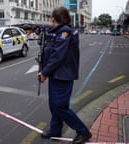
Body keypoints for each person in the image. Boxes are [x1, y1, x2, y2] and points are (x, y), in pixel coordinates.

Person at [37, 7, 92, 144]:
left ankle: (83, 132)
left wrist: (44, 72)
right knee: (54, 105)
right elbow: (51, 52)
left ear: (54, 18)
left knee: (60, 106)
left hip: (63, 75)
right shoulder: (58, 32)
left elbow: (57, 56)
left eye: (51, 18)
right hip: (56, 74)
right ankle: (55, 130)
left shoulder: (65, 32)